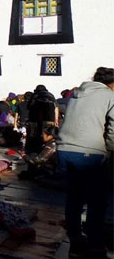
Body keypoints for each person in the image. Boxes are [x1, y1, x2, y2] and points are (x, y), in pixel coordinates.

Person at [56, 67, 114, 258]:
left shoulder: (76, 93)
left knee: (74, 197)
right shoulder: (109, 95)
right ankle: (95, 244)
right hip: (90, 152)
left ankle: (75, 239)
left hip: (64, 150)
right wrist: (108, 150)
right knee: (97, 200)